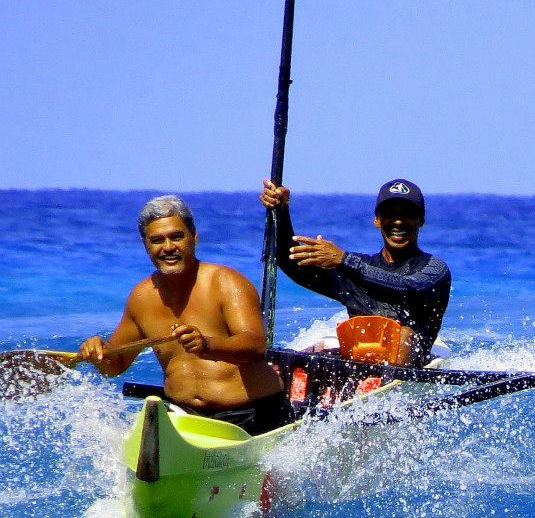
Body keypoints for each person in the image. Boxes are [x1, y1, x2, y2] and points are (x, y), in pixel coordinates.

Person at [79, 195, 292, 434]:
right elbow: (115, 364)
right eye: (157, 240)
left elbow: (254, 347)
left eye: (176, 237)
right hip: (185, 417)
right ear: (146, 245)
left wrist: (206, 345)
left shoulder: (226, 283)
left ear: (194, 237)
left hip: (252, 414)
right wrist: (97, 352)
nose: (168, 247)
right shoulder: (141, 297)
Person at [260, 178, 451, 366]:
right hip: (358, 361)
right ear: (377, 220)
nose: (398, 222)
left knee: (404, 334)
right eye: (389, 214)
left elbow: (407, 286)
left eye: (407, 214)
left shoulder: (434, 269)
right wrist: (280, 210)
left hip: (407, 366)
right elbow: (291, 263)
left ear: (421, 220)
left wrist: (344, 260)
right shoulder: (353, 269)